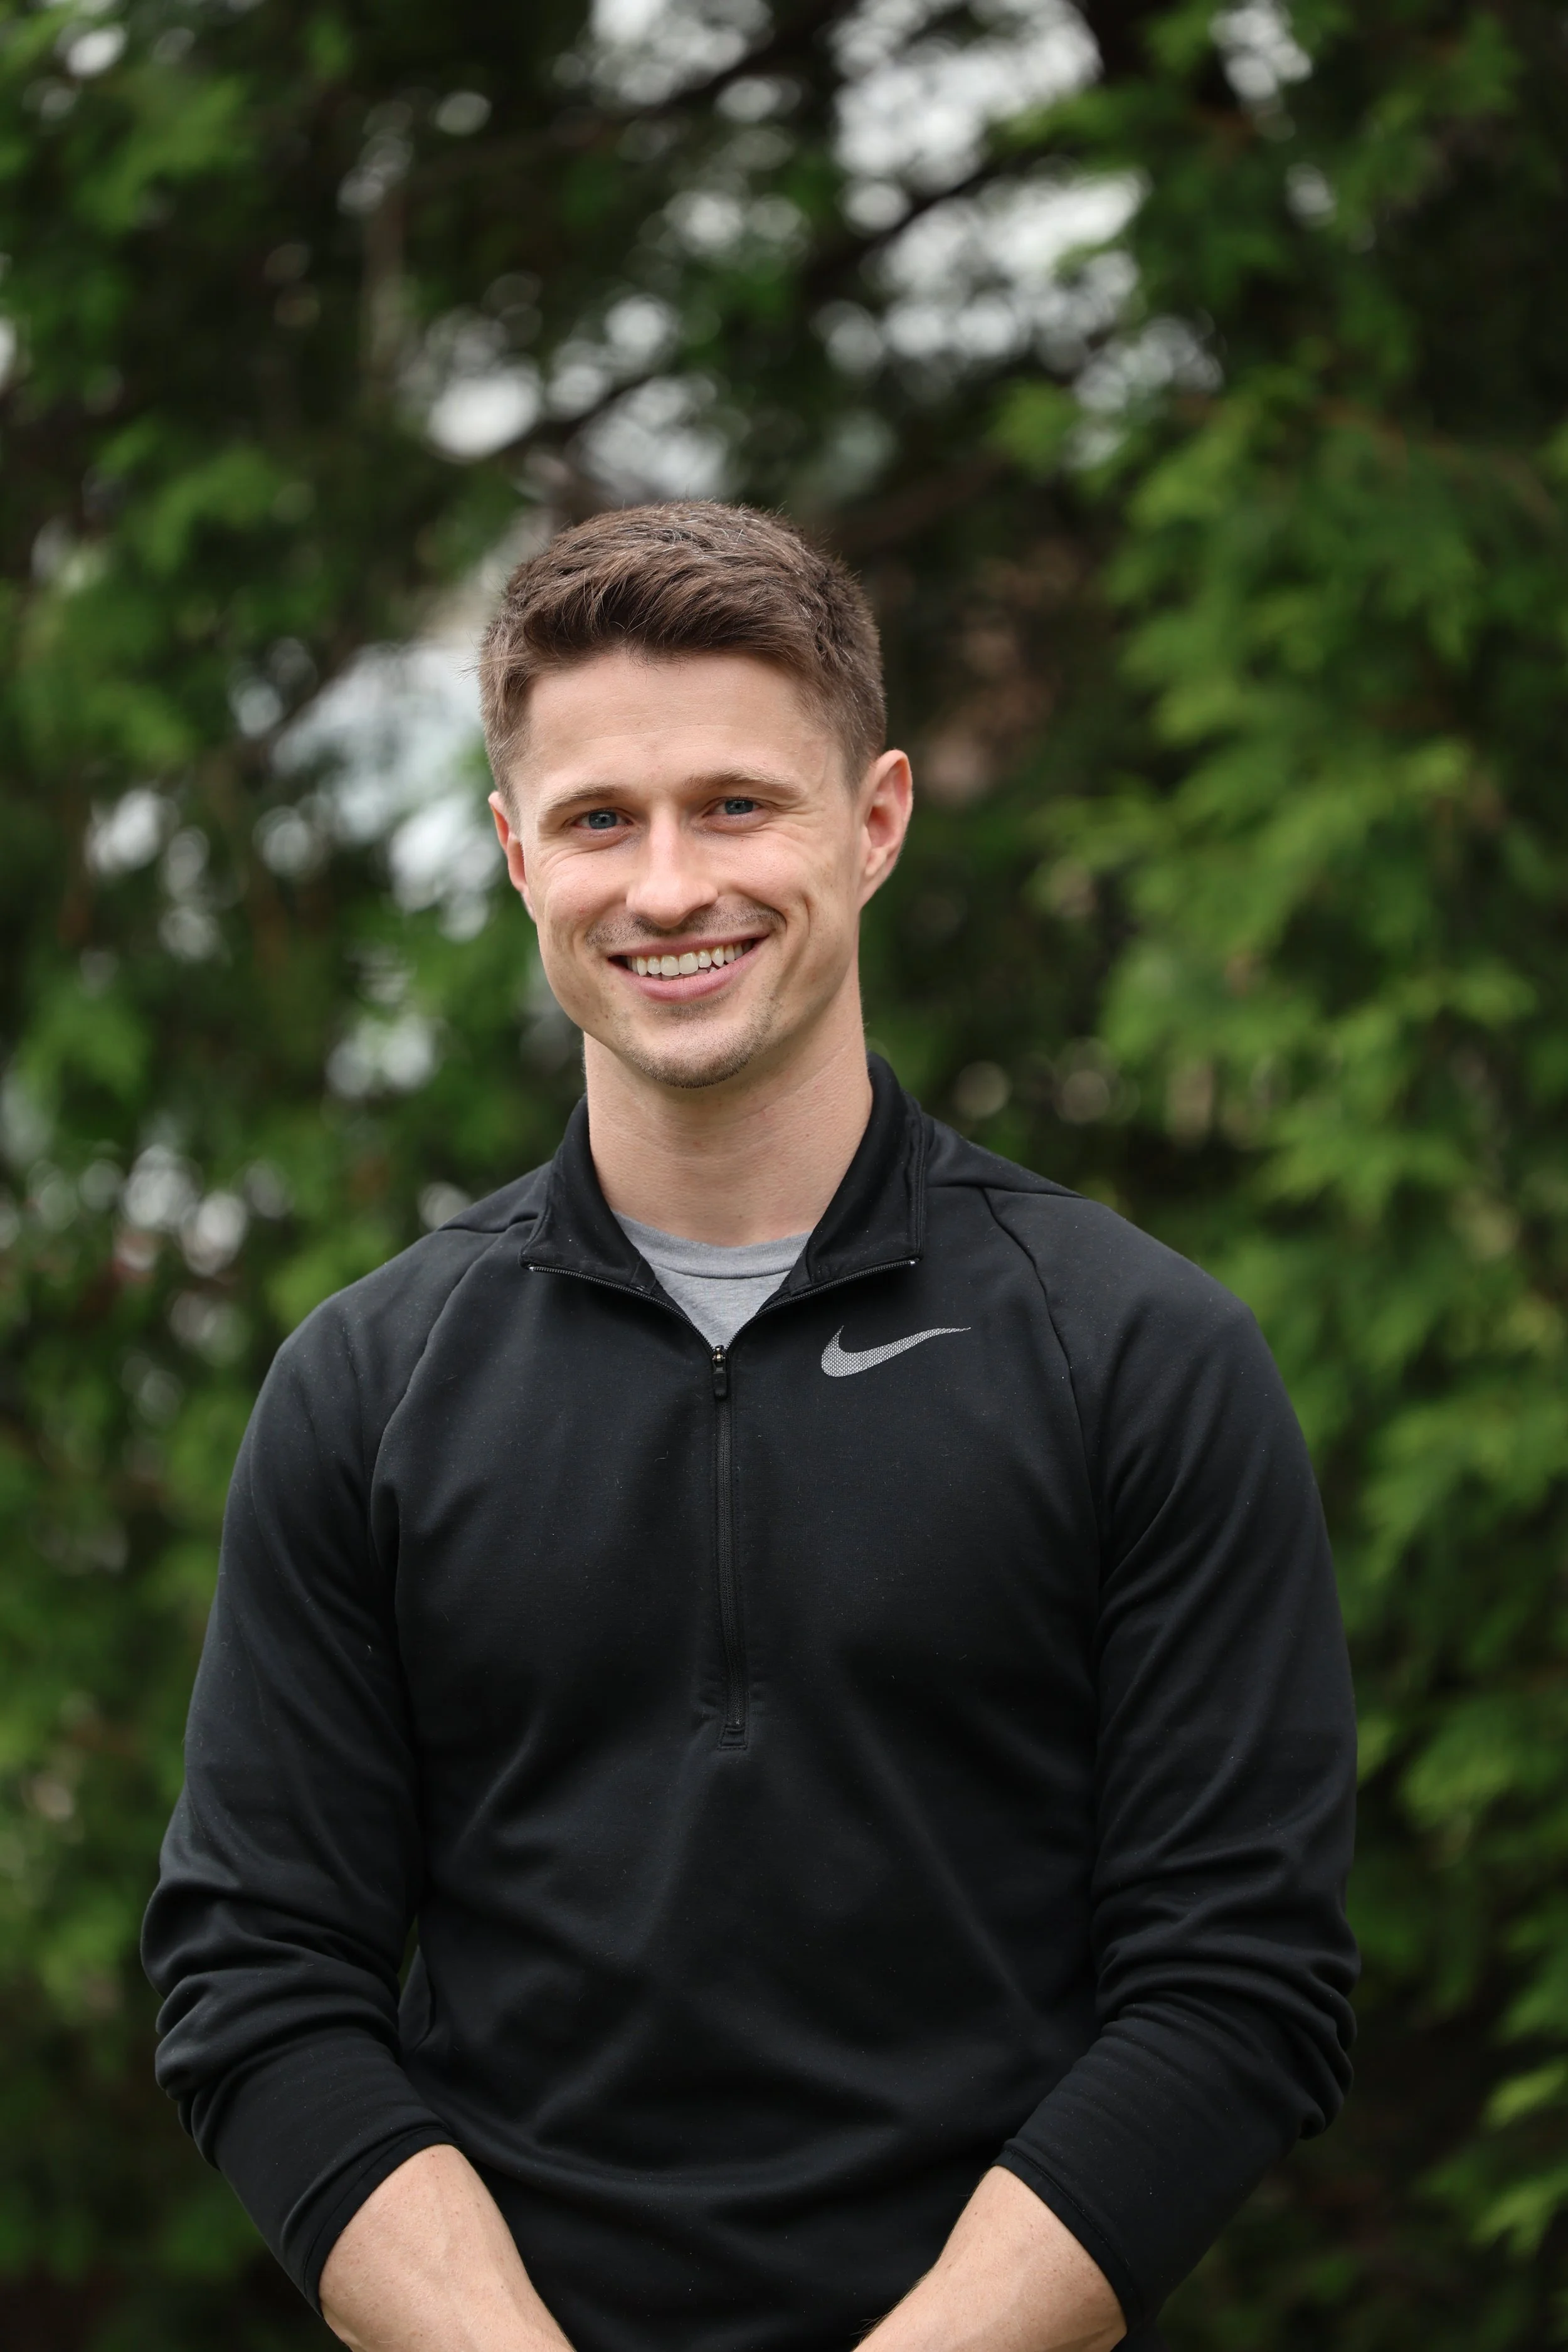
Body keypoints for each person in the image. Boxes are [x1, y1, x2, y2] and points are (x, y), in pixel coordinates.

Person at [142, 501, 1357, 2352]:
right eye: (598, 821)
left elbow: (1231, 1983)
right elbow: (258, 1977)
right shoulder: (368, 1386)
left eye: (735, 804)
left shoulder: (1138, 1353)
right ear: (511, 856)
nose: (665, 885)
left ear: (871, 824)